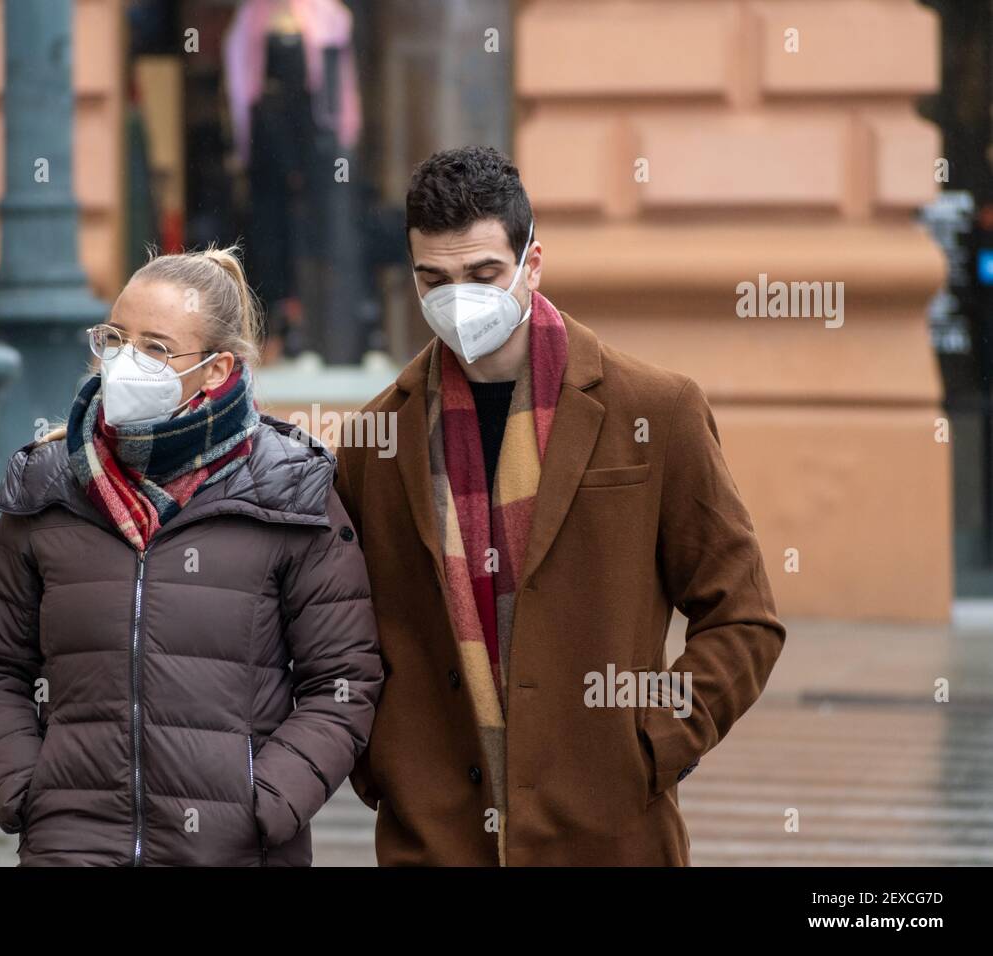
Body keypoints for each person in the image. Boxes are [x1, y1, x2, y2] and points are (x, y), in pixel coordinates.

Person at [335, 146, 786, 865]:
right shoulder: (373, 442)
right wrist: (385, 765)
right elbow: (344, 637)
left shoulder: (656, 410)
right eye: (435, 279)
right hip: (436, 838)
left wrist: (657, 741)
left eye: (483, 274)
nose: (459, 297)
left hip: (609, 835)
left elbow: (744, 616)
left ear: (531, 263)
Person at [0, 245, 382, 866]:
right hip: (72, 850)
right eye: (116, 338)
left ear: (215, 369)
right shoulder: (52, 484)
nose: (125, 362)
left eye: (154, 347)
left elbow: (343, 680)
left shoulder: (290, 490)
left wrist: (265, 802)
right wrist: (28, 791)